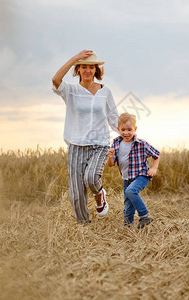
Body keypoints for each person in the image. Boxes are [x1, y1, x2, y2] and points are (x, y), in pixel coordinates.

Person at [52, 50, 119, 224]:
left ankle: (100, 193)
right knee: (76, 192)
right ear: (78, 69)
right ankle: (84, 225)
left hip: (100, 143)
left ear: (96, 69)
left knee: (91, 178)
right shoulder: (71, 91)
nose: (88, 70)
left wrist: (128, 134)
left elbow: (113, 118)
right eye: (84, 67)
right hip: (76, 143)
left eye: (91, 67)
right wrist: (74, 58)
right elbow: (55, 80)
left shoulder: (105, 91)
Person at [107, 112, 160, 228]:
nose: (126, 133)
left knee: (130, 191)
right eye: (123, 129)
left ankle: (144, 216)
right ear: (118, 129)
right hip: (127, 179)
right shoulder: (116, 144)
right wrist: (110, 157)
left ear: (135, 129)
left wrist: (154, 168)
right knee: (128, 207)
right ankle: (128, 229)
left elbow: (157, 155)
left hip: (142, 176)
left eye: (129, 129)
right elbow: (111, 165)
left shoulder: (141, 144)